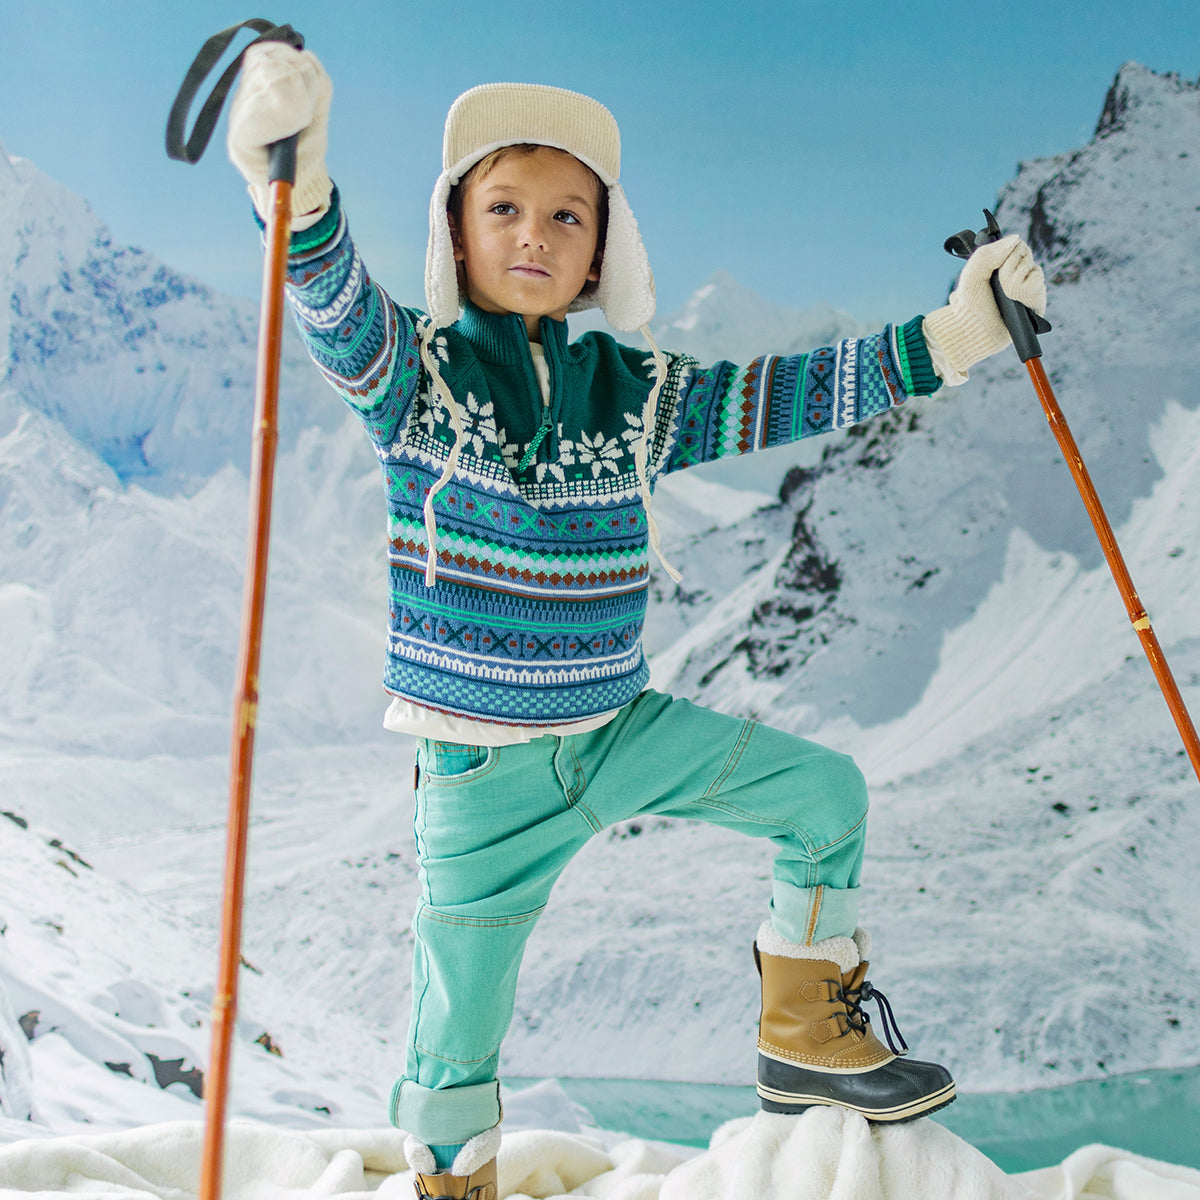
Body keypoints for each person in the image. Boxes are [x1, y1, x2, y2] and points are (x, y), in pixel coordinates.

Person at [228, 42, 1045, 1199]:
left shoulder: (641, 393)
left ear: (605, 247)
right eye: (503, 207)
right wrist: (298, 189)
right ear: (454, 230)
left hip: (620, 730)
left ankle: (806, 1034)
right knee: (460, 1022)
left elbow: (790, 392)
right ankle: (451, 1175)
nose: (535, 237)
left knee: (824, 799)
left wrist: (954, 336)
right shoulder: (414, 376)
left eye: (569, 216)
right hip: (482, 776)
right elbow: (330, 302)